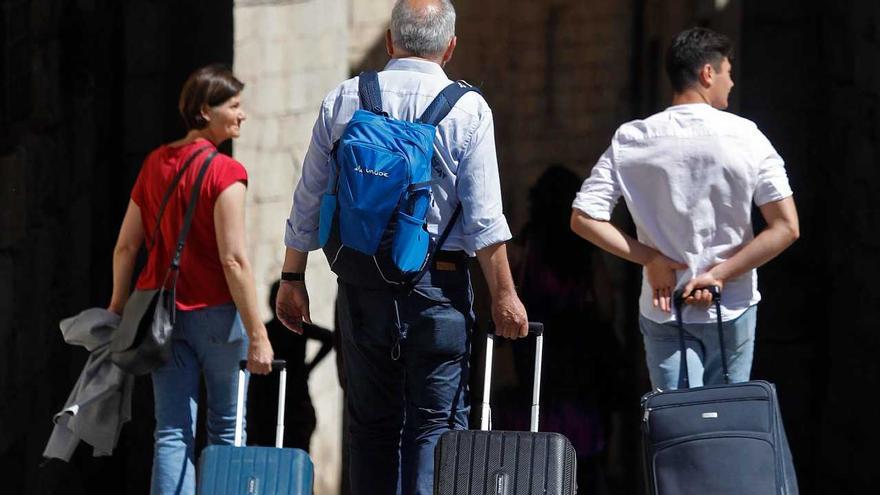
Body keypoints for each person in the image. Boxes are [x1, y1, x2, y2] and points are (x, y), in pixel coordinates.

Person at [276, 1, 529, 493]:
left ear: (389, 42)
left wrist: (292, 278)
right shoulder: (467, 109)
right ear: (450, 47)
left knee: (370, 424)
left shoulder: (345, 98)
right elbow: (484, 220)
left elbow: (308, 195)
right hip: (439, 286)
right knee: (435, 426)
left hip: (360, 284)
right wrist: (504, 295)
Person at [570, 27, 800, 391]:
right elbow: (786, 227)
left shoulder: (634, 138)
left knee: (676, 428)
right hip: (733, 306)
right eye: (728, 71)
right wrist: (721, 274)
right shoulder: (748, 136)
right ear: (708, 73)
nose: (732, 82)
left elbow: (584, 218)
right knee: (725, 427)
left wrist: (651, 259)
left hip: (665, 307)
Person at [107, 64, 274, 495]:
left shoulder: (154, 163)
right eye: (234, 106)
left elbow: (126, 246)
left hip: (162, 316)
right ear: (205, 111)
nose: (243, 115)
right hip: (217, 317)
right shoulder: (226, 174)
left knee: (171, 431)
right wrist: (257, 332)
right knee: (225, 429)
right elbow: (234, 260)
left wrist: (117, 303)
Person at [247, 280, 333, 451]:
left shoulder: (290, 329)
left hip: (291, 400)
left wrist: (309, 367)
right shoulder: (267, 332)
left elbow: (330, 338)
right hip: (272, 403)